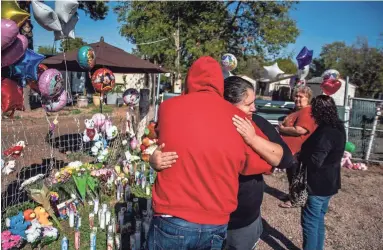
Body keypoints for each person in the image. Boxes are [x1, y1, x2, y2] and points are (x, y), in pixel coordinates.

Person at [150, 76, 294, 250]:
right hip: (206, 217)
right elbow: (173, 149)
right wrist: (155, 160)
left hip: (242, 219)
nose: (254, 108)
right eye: (248, 104)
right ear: (227, 104)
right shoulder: (198, 121)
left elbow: (285, 159)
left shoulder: (256, 123)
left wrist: (253, 139)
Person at [299, 95, 346, 250]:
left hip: (317, 185)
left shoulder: (326, 132)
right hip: (330, 182)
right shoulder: (338, 126)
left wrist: (301, 154)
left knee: (310, 223)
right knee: (318, 220)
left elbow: (315, 161)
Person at [278, 85, 317, 208]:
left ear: (308, 98)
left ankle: (295, 200)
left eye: (301, 96)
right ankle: (292, 195)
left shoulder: (306, 111)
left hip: (299, 151)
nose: (297, 99)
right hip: (291, 150)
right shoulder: (298, 110)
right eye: (296, 96)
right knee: (292, 174)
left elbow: (300, 130)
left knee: (296, 175)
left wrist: (283, 129)